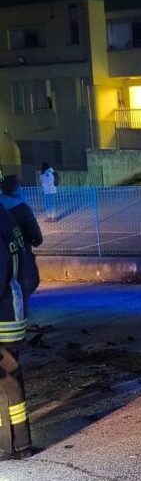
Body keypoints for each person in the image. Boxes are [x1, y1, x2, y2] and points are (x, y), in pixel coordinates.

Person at [0, 183, 35, 459]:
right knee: (10, 378)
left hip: (2, 316)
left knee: (5, 381)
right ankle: (19, 444)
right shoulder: (7, 217)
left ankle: (10, 445)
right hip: (12, 311)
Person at [1, 175, 43, 250]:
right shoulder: (22, 208)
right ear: (16, 188)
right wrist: (35, 241)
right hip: (21, 248)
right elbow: (36, 235)